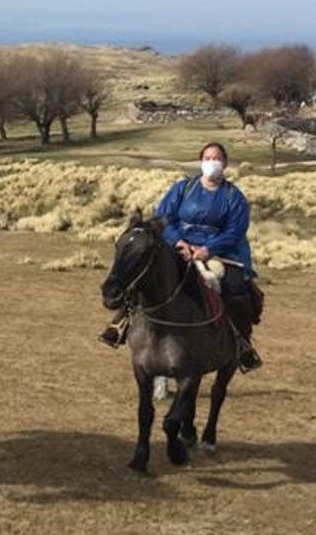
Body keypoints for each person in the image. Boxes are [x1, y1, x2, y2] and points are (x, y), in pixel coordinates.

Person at [100, 141, 263, 371]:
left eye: (216, 158)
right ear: (201, 161)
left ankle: (239, 343)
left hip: (218, 252)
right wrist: (178, 242)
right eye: (207, 158)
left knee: (234, 286)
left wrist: (207, 249)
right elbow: (163, 217)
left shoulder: (234, 197)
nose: (211, 163)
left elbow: (235, 230)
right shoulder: (183, 188)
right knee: (147, 272)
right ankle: (121, 323)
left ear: (225, 164)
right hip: (180, 245)